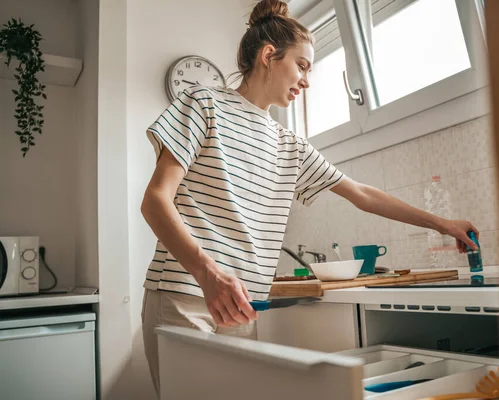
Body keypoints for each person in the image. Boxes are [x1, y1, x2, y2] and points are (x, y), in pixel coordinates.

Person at [140, 0, 480, 395]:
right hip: (186, 294)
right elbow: (155, 201)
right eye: (302, 66)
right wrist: (207, 273)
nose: (307, 81)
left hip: (241, 305)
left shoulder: (290, 145)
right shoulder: (204, 103)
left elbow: (363, 194)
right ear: (269, 55)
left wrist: (444, 223)